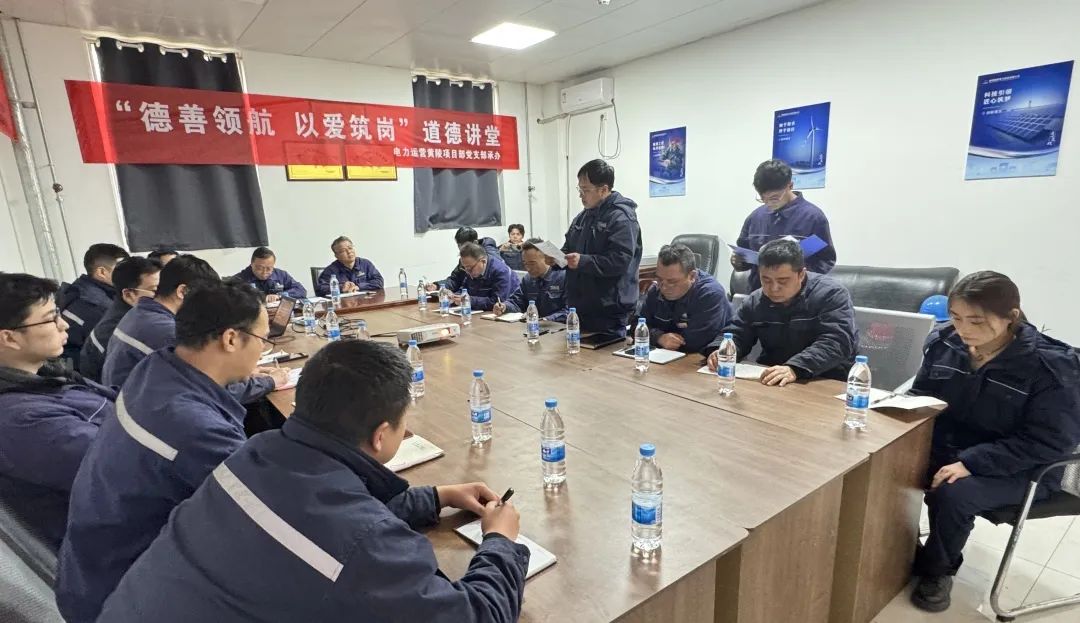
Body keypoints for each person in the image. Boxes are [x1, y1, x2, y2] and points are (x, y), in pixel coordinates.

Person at [96, 340, 529, 622]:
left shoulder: (254, 453)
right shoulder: (363, 544)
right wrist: (501, 542)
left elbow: (320, 520)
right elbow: (478, 616)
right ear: (382, 435)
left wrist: (433, 498)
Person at [57, 281, 279, 623]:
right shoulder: (194, 427)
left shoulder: (157, 368)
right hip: (126, 595)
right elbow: (270, 512)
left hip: (92, 568)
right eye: (263, 339)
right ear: (231, 339)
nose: (263, 349)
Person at [907, 272, 1080, 613]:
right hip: (952, 447)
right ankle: (898, 548)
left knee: (953, 491)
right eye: (956, 317)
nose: (963, 329)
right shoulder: (944, 343)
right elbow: (923, 396)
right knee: (886, 462)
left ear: (1011, 317)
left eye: (976, 321)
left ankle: (937, 570)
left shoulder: (1051, 367)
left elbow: (1049, 442)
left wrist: (971, 462)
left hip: (1025, 467)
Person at [0, 274, 116, 548]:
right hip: (116, 545)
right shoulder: (22, 420)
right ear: (9, 338)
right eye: (51, 318)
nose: (64, 325)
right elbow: (122, 469)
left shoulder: (45, 374)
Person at [706, 239, 857, 386]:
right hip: (773, 377)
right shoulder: (756, 300)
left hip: (825, 379)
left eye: (783, 281)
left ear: (801, 274)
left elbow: (837, 341)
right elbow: (737, 333)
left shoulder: (831, 294)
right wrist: (721, 350)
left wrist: (795, 367)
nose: (774, 288)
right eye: (766, 280)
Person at [101, 255, 219, 388]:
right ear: (182, 291)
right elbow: (210, 382)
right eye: (204, 298)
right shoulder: (165, 330)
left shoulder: (138, 313)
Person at [560, 159, 642, 336]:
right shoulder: (582, 217)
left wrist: (582, 261)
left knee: (607, 354)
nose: (581, 195)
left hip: (609, 310)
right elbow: (568, 248)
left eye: (586, 190)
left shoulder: (621, 218)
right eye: (579, 189)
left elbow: (619, 261)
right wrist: (556, 259)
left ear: (603, 190)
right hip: (581, 306)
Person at [731, 159, 836, 291]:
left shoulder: (813, 218)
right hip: (760, 293)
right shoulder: (755, 217)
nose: (768, 203)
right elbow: (744, 256)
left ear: (790, 186)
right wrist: (738, 262)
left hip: (799, 295)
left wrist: (794, 273)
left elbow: (826, 260)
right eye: (763, 198)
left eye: (774, 198)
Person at [638, 244, 732, 354]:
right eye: (659, 279)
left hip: (705, 357)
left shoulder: (710, 294)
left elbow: (696, 343)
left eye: (672, 282)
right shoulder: (656, 289)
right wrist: (659, 337)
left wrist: (653, 336)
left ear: (692, 276)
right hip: (665, 356)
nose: (663, 287)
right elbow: (637, 326)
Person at [79, 257, 161, 383]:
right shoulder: (120, 330)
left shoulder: (131, 315)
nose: (167, 295)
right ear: (129, 295)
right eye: (155, 290)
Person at [58, 243, 130, 365]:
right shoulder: (94, 304)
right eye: (123, 269)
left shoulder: (80, 290)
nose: (129, 274)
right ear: (102, 272)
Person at [494, 239, 568, 322]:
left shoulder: (564, 277)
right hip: (534, 325)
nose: (528, 268)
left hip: (558, 326)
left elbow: (570, 310)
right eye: (525, 264)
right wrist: (505, 306)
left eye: (532, 263)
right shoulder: (528, 279)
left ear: (547, 258)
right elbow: (517, 301)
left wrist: (546, 319)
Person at [429, 226, 501, 294]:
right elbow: (455, 279)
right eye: (459, 245)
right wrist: (437, 286)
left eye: (465, 246)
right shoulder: (465, 257)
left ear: (475, 243)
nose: (461, 249)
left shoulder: (491, 257)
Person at [454, 242, 521, 312]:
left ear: (483, 261)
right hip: (480, 312)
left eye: (470, 268)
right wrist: (455, 297)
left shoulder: (501, 271)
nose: (467, 272)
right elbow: (465, 290)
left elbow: (498, 303)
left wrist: (470, 300)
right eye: (465, 268)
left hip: (506, 314)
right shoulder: (471, 270)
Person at [233, 246, 307, 302]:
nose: (264, 272)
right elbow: (231, 300)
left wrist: (280, 296)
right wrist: (260, 298)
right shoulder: (239, 279)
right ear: (251, 264)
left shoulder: (281, 275)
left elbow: (301, 290)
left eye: (269, 268)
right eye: (260, 268)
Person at [316, 236, 383, 296]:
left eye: (350, 248)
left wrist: (359, 286)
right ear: (336, 256)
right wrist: (341, 287)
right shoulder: (330, 270)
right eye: (343, 251)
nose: (349, 252)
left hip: (365, 302)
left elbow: (379, 281)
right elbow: (320, 289)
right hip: (343, 304)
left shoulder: (365, 264)